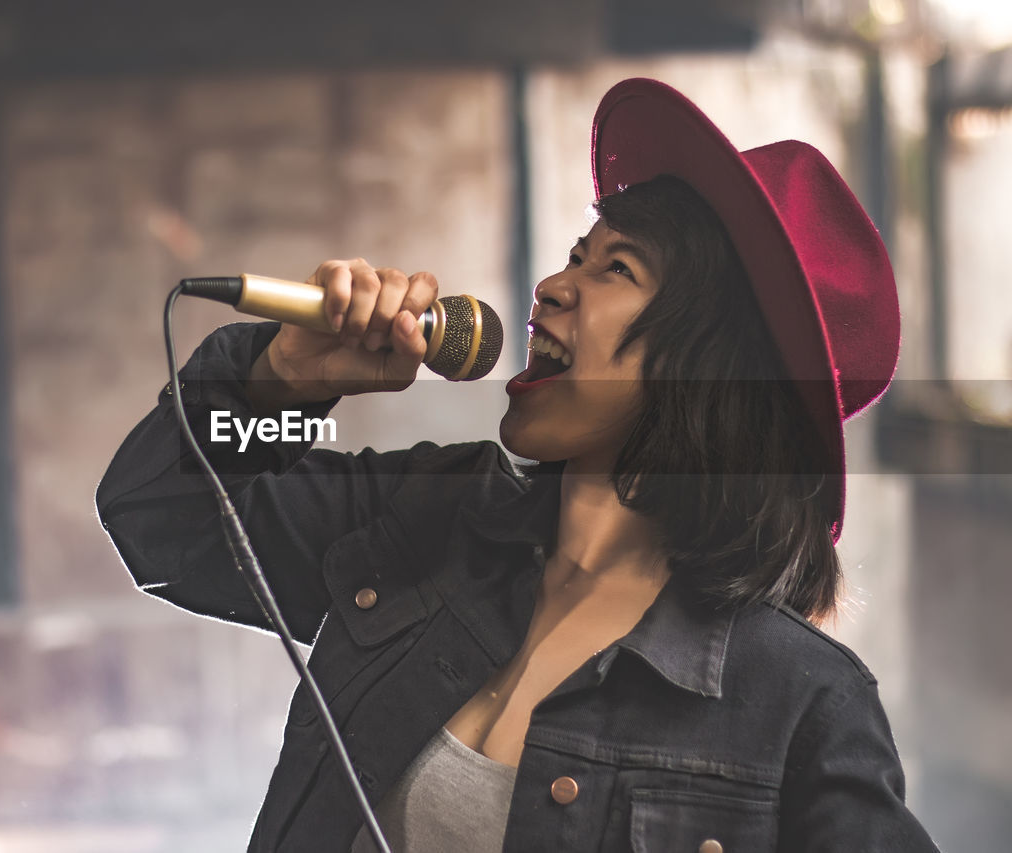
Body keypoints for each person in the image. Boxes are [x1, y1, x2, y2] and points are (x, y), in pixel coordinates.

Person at [96, 78, 939, 851]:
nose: (552, 288)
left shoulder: (802, 704)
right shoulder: (429, 515)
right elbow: (161, 518)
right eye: (576, 255)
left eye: (617, 268)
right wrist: (280, 381)